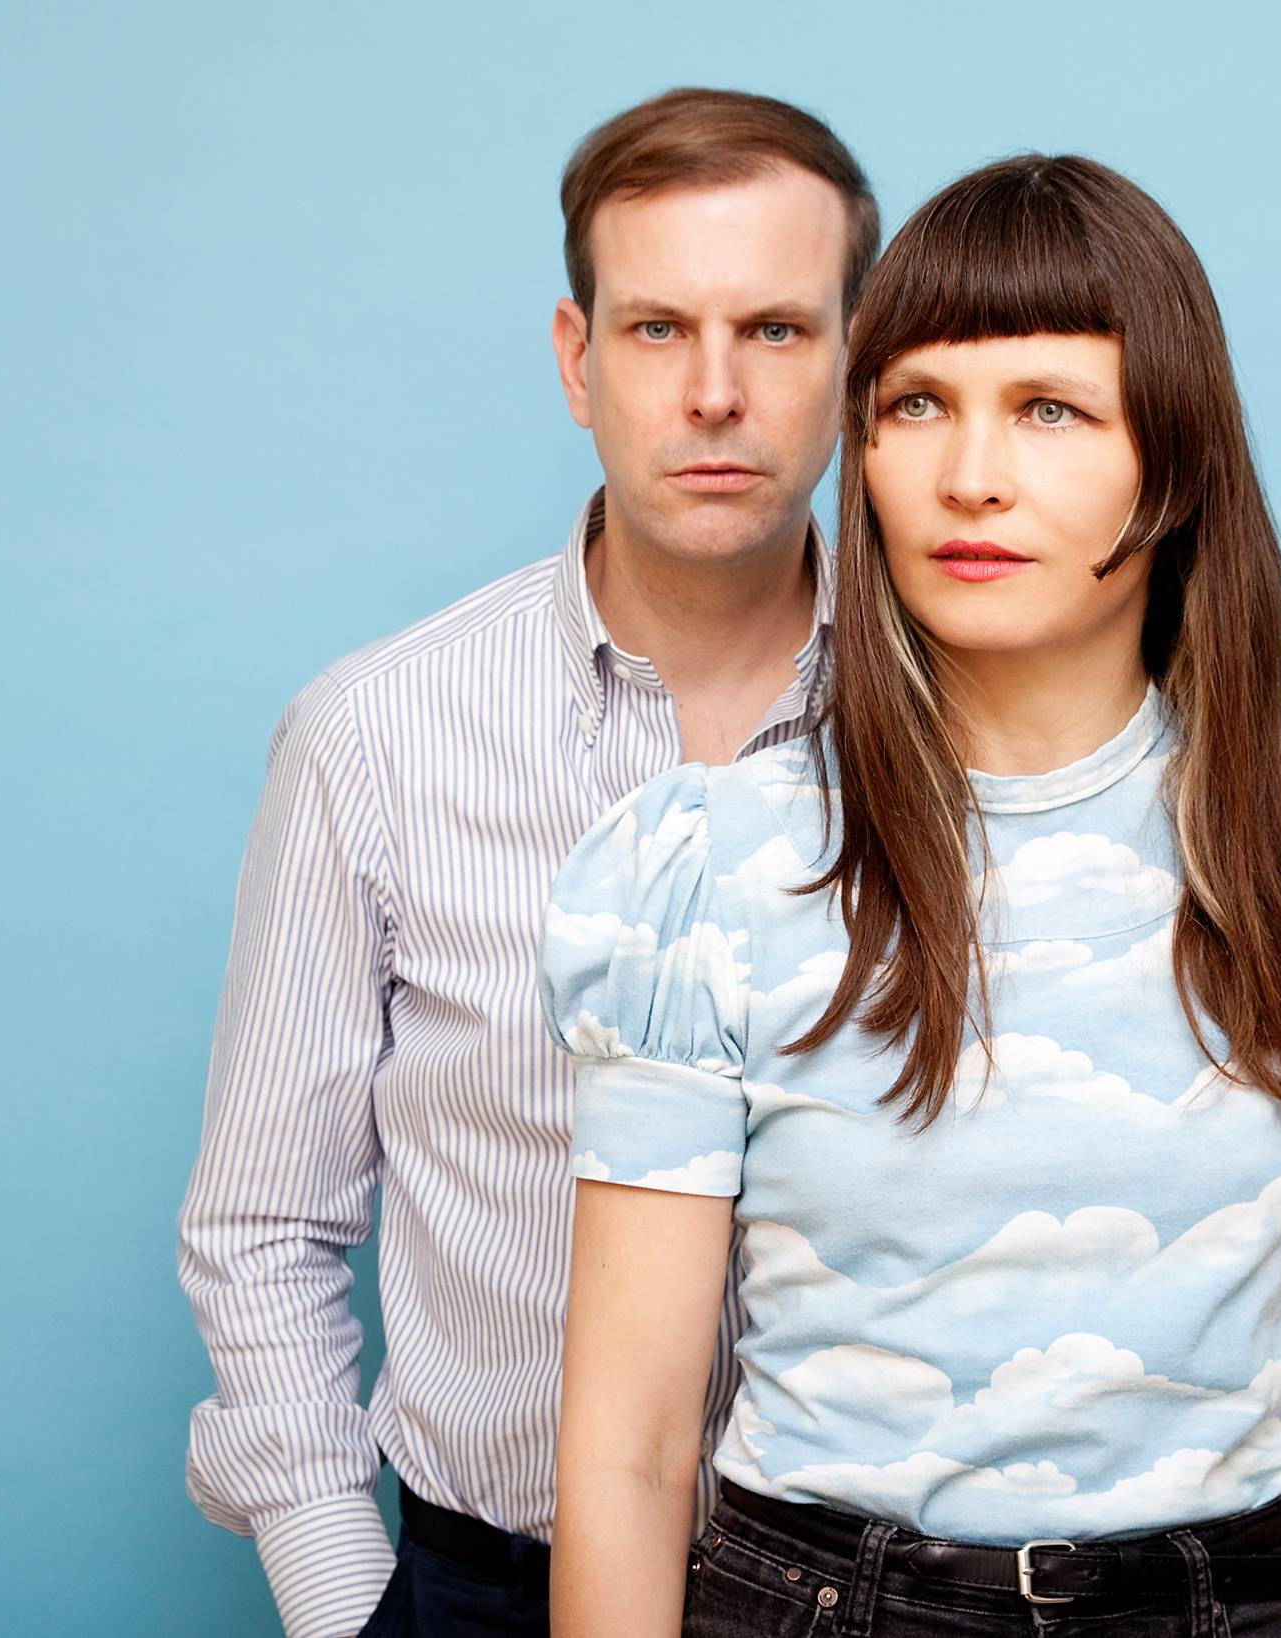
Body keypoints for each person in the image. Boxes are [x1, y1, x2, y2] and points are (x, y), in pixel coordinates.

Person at [537, 154, 1281, 1637]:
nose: (969, 476)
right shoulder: (712, 869)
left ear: (1173, 463)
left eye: (1050, 409)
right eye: (918, 405)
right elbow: (630, 1448)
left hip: (1237, 1602)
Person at [176, 88, 878, 1638]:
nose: (714, 393)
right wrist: (348, 1605)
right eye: (656, 329)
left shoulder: (961, 740)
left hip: (873, 1598)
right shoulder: (376, 736)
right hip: (485, 1587)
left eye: (773, 329)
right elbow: (261, 1226)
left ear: (854, 358)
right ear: (577, 358)